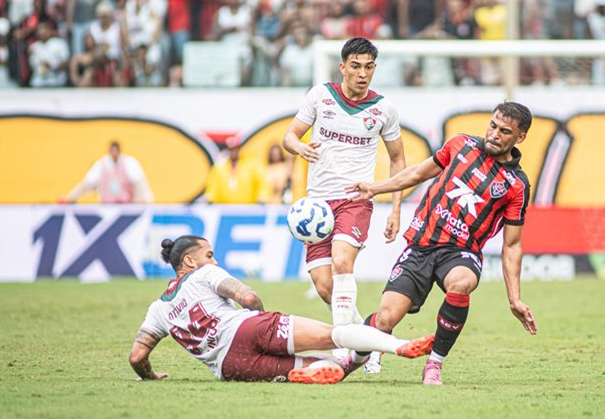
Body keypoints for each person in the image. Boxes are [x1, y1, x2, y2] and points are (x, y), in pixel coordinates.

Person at [346, 102, 539, 385]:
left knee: (462, 283)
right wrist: (374, 188)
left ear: (520, 137)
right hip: (422, 245)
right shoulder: (460, 145)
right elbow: (416, 174)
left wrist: (515, 298)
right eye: (493, 125)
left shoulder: (517, 185)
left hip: (461, 253)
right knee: (385, 319)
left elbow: (512, 245)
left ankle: (434, 363)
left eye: (504, 131)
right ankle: (350, 361)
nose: (494, 134)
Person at [128, 235, 435, 384]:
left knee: (328, 367)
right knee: (335, 335)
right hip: (246, 329)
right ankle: (399, 346)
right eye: (209, 255)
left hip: (231, 367)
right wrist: (259, 318)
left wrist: (150, 376)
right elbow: (247, 297)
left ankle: (338, 364)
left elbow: (137, 357)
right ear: (190, 261)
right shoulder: (203, 273)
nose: (214, 260)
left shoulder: (158, 309)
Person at [282, 37, 406, 373]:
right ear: (342, 67)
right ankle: (369, 343)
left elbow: (398, 160)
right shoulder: (320, 95)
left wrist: (395, 208)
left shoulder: (383, 109)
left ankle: (342, 348)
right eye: (356, 66)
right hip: (317, 206)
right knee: (325, 287)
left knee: (341, 262)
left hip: (356, 199)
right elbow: (290, 136)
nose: (362, 73)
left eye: (369, 67)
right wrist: (300, 148)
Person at [65, 140, 154, 203]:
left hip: (127, 207)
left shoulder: (129, 163)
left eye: (116, 151)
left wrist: (147, 200)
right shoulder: (101, 164)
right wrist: (72, 197)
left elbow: (139, 182)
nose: (114, 153)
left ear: (119, 151)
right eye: (112, 151)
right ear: (109, 151)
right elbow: (87, 182)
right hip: (107, 207)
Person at [204, 138, 268, 204]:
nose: (234, 152)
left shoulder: (251, 165)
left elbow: (262, 182)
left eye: (236, 149)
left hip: (248, 207)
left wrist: (262, 196)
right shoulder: (220, 167)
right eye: (231, 149)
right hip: (224, 207)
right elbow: (212, 187)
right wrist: (210, 198)